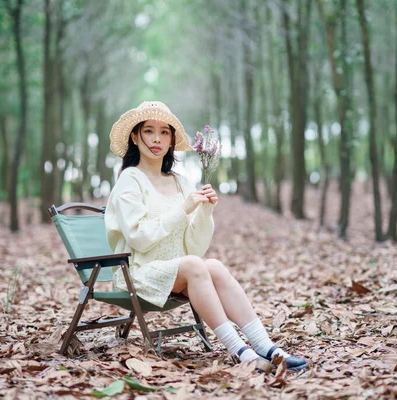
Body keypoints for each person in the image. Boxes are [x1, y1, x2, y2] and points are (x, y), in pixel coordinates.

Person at [105, 101, 307, 372]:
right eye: (149, 131)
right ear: (135, 136)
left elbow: (194, 247)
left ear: (172, 140)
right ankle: (240, 351)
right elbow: (139, 238)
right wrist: (184, 208)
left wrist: (205, 212)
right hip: (139, 271)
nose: (157, 139)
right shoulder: (130, 180)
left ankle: (267, 347)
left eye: (165, 132)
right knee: (195, 265)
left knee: (214, 266)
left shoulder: (179, 181)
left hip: (178, 269)